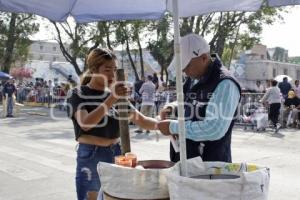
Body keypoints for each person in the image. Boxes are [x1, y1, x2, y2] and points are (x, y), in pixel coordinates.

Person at [67, 48, 159, 200]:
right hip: (92, 155)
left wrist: (168, 125)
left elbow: (142, 120)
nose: (112, 74)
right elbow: (85, 123)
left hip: (117, 153)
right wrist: (111, 98)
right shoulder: (78, 93)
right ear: (93, 69)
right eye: (107, 69)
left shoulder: (117, 96)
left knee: (117, 196)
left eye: (114, 69)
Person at [157, 33, 241, 163]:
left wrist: (173, 127)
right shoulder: (194, 78)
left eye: (187, 65)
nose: (184, 70)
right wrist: (172, 107)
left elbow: (214, 128)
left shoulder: (225, 84)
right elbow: (188, 102)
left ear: (203, 58)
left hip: (210, 166)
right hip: (188, 159)